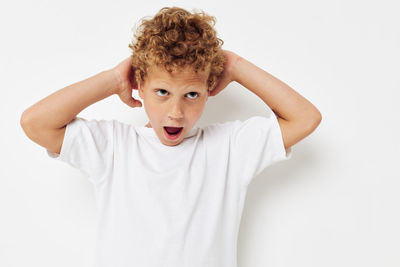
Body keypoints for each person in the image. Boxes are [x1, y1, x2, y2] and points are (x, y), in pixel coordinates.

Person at [20, 6, 321, 267]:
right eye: (162, 92)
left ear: (209, 90)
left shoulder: (229, 149)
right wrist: (112, 80)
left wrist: (234, 65)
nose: (176, 112)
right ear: (139, 83)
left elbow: (306, 118)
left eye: (192, 94)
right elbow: (36, 123)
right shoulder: (113, 147)